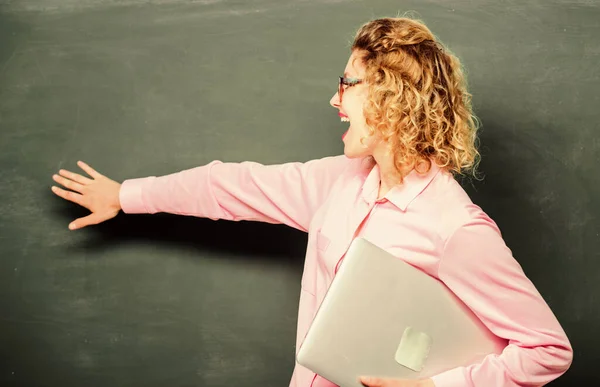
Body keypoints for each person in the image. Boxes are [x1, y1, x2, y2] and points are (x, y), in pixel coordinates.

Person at [50, 17, 572, 387]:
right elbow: (228, 185)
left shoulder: (456, 228)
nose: (334, 98)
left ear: (391, 95)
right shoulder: (338, 182)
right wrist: (125, 195)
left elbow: (548, 350)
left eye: (347, 82)